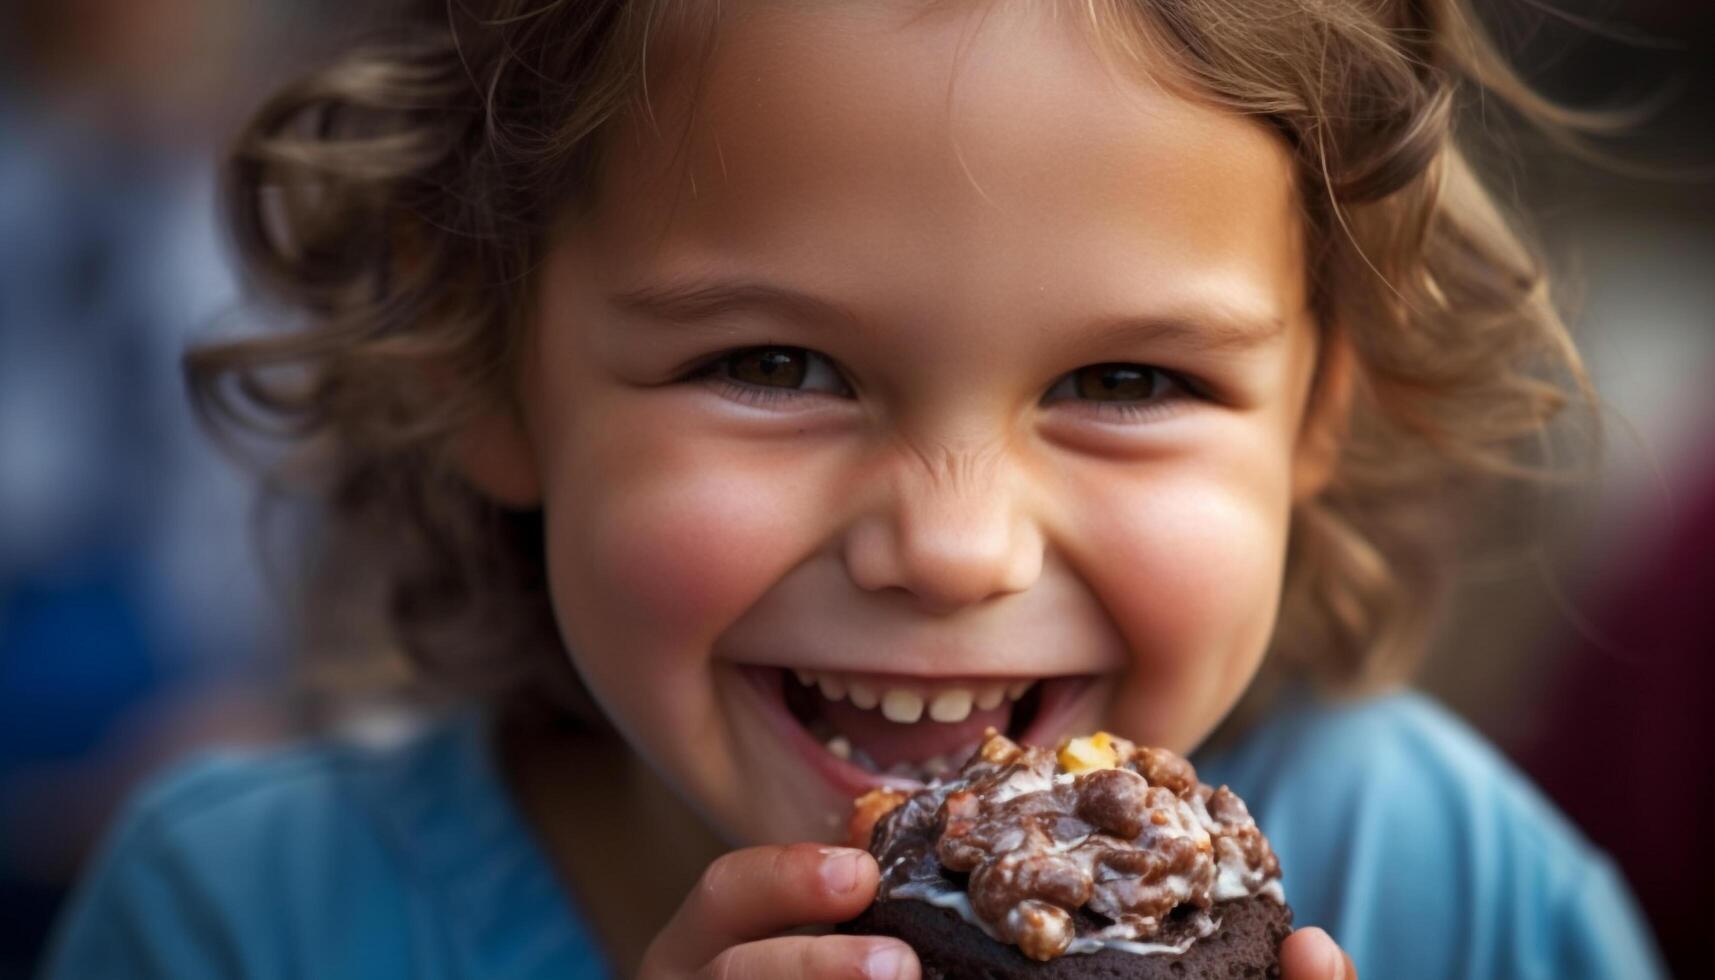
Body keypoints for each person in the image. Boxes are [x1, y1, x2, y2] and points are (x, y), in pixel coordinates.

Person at [36, 1, 1667, 977]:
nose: (956, 547)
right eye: (778, 366)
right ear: (483, 359)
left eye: (1126, 382)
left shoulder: (1437, 880)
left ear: (1318, 410)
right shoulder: (240, 920)